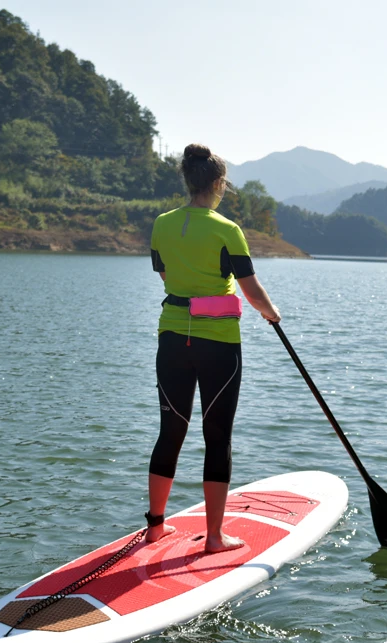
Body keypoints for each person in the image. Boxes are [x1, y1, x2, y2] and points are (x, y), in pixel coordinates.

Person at [145, 143, 281, 553]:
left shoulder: (162, 224)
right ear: (219, 183)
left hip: (172, 337)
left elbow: (166, 274)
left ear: (187, 180)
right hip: (218, 342)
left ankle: (154, 527)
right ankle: (216, 539)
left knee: (171, 431)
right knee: (217, 436)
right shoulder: (228, 230)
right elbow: (250, 288)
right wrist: (272, 313)